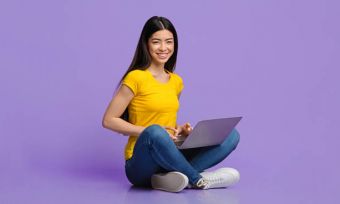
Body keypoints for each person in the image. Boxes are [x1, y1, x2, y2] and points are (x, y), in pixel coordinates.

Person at [102, 16, 241, 193]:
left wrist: (180, 130)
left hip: (169, 156)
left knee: (231, 135)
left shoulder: (176, 81)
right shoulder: (136, 77)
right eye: (156, 42)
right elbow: (108, 120)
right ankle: (199, 180)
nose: (163, 48)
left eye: (169, 42)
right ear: (146, 44)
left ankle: (173, 178)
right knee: (154, 131)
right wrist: (148, 131)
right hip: (140, 164)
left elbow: (165, 120)